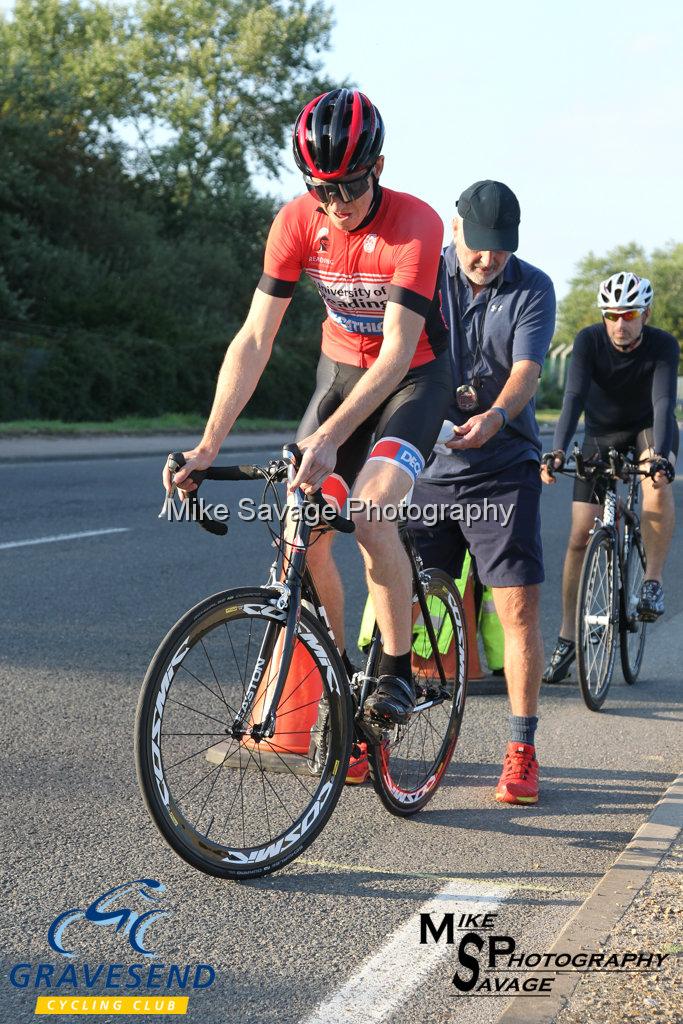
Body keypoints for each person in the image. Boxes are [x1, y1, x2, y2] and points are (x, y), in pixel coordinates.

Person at [164, 88, 452, 727]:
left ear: (378, 167)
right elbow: (255, 337)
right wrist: (207, 446)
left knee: (371, 514)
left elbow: (399, 354)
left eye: (348, 187)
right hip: (343, 376)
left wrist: (327, 439)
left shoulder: (417, 223)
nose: (336, 204)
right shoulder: (297, 221)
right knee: (303, 532)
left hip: (413, 380)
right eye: (320, 188)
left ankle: (397, 672)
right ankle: (340, 670)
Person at [410, 180, 556, 805]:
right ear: (454, 226)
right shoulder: (422, 275)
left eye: (500, 248)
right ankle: (375, 732)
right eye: (477, 245)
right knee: (406, 597)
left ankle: (521, 749)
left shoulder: (533, 286)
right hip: (429, 467)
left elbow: (527, 370)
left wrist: (495, 417)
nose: (487, 259)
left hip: (503, 465)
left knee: (517, 607)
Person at [542, 272, 678, 683]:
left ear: (645, 314)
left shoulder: (662, 346)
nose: (621, 324)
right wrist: (559, 449)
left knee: (656, 480)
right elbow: (573, 398)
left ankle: (651, 580)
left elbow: (663, 401)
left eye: (630, 314)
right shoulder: (587, 341)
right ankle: (568, 637)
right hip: (600, 432)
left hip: (647, 429)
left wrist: (661, 459)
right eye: (613, 315)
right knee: (579, 536)